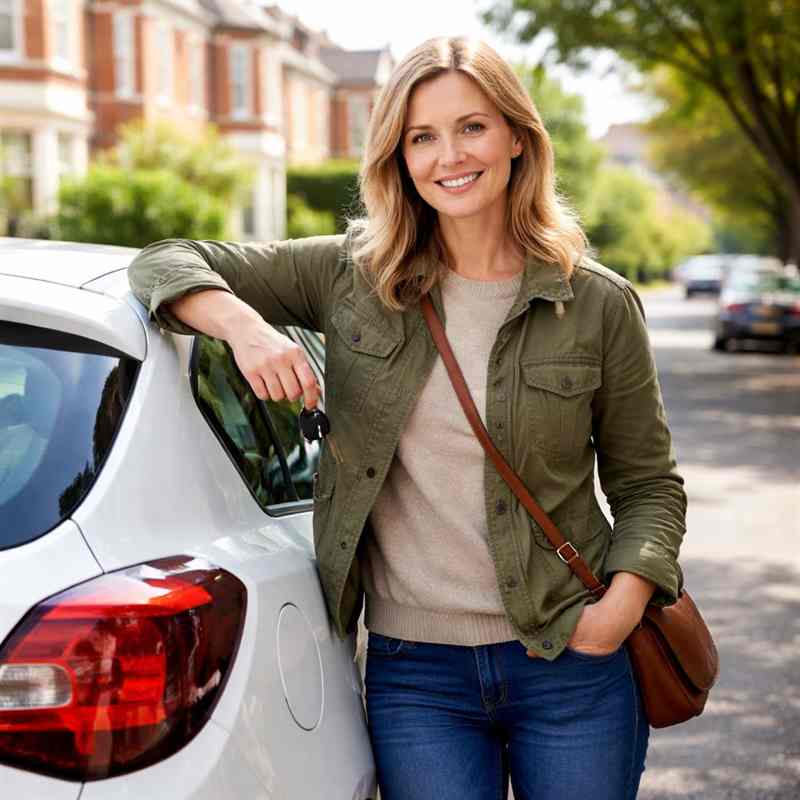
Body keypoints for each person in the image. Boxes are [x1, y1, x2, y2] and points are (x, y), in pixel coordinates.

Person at [128, 36, 686, 800]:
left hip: (571, 661)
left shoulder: (595, 302)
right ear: (398, 156)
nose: (448, 156)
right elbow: (162, 260)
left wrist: (619, 610)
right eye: (422, 136)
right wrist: (247, 328)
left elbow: (649, 486)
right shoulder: (352, 275)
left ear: (517, 137)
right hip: (418, 676)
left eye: (472, 127)